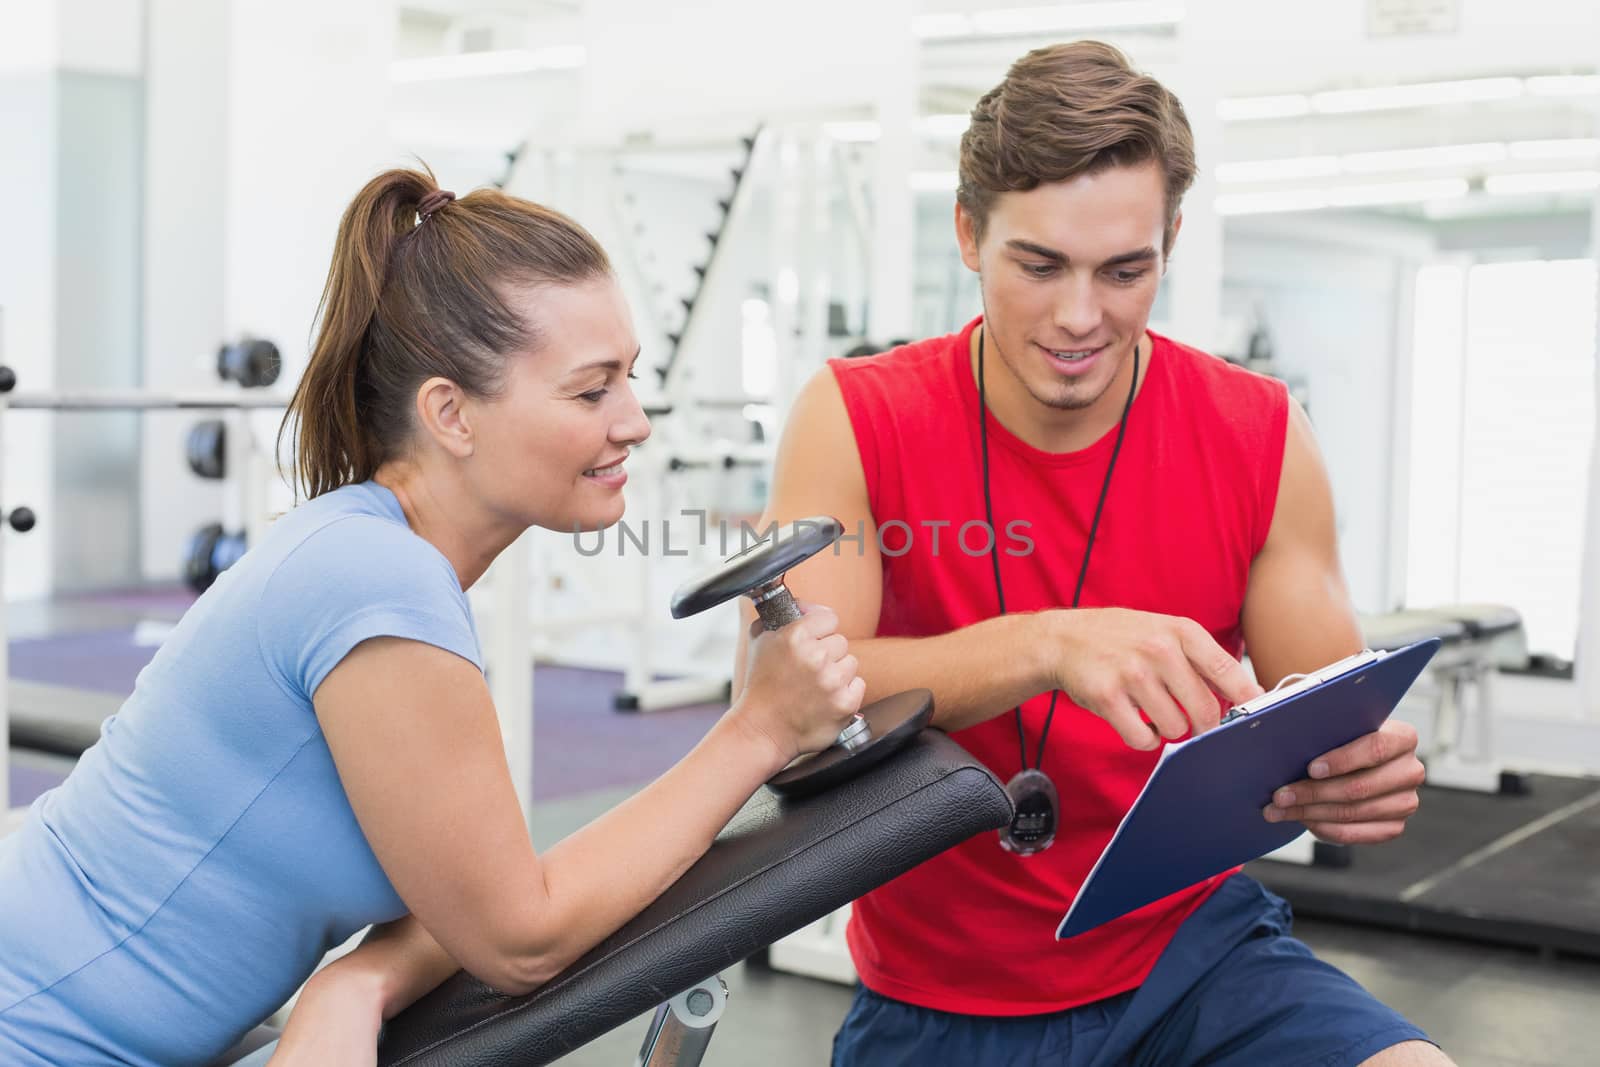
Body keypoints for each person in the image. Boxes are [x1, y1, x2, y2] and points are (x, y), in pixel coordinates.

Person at [0, 168, 866, 1067]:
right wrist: (757, 728)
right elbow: (519, 934)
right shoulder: (376, 581)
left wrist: (361, 977)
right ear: (450, 412)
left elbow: (466, 893)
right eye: (591, 390)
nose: (636, 421)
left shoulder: (379, 556)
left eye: (631, 380)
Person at [738, 42, 1448, 1067]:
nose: (1080, 317)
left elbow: (1316, 710)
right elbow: (791, 715)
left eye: (1125, 271)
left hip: (1194, 958)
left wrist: (1352, 771)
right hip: (944, 994)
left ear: (1166, 244)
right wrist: (1045, 643)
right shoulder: (855, 416)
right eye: (1038, 265)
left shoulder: (1258, 428)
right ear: (967, 234)